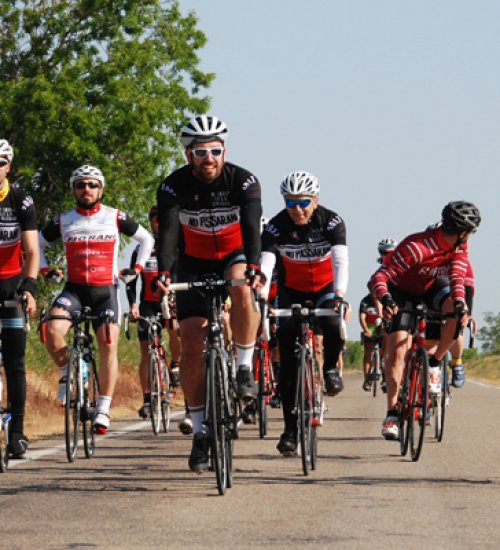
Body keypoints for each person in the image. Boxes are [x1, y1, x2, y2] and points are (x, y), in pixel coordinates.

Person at [156, 115, 263, 472]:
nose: (209, 158)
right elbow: (168, 234)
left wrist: (254, 266)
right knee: (189, 344)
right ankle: (201, 431)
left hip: (233, 255)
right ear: (188, 154)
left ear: (224, 151)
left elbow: (251, 227)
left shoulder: (243, 180)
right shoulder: (173, 186)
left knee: (243, 287)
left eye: (215, 150)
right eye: (200, 152)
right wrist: (164, 274)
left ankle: (244, 366)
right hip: (192, 262)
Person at [39, 165, 154, 434]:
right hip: (75, 290)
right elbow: (37, 243)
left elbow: (146, 239)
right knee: (51, 330)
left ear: (100, 189)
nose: (86, 189)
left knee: (108, 342)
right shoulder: (63, 219)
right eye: (80, 185)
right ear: (73, 190)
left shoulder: (114, 216)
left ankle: (103, 408)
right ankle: (68, 371)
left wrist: (136, 269)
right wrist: (45, 270)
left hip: (106, 290)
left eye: (92, 185)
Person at [370, 201, 480, 440]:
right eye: (469, 233)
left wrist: (461, 303)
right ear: (461, 232)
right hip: (401, 292)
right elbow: (379, 276)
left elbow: (458, 278)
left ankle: (434, 361)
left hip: (430, 288)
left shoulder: (460, 247)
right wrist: (386, 298)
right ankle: (392, 413)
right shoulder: (417, 246)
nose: (470, 237)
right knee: (398, 351)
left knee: (457, 311)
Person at [260, 171, 349, 455]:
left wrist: (339, 296)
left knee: (333, 320)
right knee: (287, 368)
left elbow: (340, 261)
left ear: (316, 199)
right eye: (291, 203)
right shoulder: (275, 227)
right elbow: (266, 262)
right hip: (292, 291)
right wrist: (262, 297)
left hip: (324, 288)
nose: (297, 209)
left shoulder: (331, 221)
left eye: (304, 202)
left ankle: (332, 367)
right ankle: (289, 430)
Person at [0, 139, 39, 458]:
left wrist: (30, 287)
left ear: (8, 166)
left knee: (15, 362)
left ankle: (18, 433)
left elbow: (32, 251)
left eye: (1, 162)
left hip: (11, 285)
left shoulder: (20, 200)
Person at [125, 205, 181, 420]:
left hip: (172, 299)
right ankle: (147, 399)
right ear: (151, 222)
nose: (159, 223)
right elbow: (131, 281)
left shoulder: (176, 247)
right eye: (155, 219)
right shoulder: (141, 249)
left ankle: (175, 365)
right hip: (148, 303)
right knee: (146, 351)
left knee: (175, 327)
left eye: (163, 219)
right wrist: (132, 305)